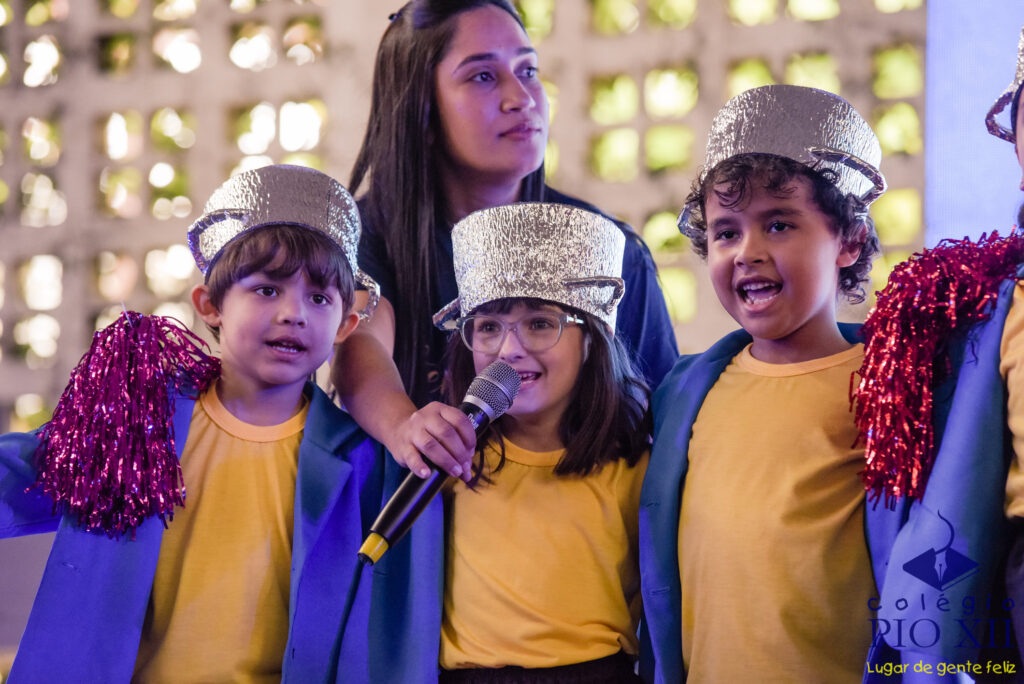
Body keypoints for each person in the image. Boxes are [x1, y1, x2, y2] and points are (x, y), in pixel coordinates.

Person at [0, 165, 385, 682]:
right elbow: (30, 470)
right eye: (267, 290)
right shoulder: (140, 419)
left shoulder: (361, 459)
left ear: (345, 325)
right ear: (210, 306)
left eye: (319, 298)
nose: (294, 313)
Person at [331, 0, 677, 482]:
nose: (522, 97)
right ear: (420, 109)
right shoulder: (367, 236)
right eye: (483, 76)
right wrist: (407, 428)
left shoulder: (609, 248)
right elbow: (361, 344)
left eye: (528, 70)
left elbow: (666, 421)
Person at [366, 202, 650, 682]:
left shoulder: (636, 467)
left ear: (592, 339)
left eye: (540, 323)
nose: (510, 349)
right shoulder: (448, 457)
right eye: (489, 327)